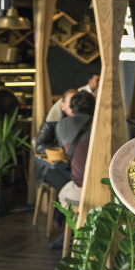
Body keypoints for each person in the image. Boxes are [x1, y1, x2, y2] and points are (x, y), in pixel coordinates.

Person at [48, 90, 94, 249]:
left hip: (81, 189)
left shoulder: (62, 125)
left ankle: (73, 234)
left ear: (72, 108)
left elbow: (66, 152)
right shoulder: (103, 124)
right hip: (109, 188)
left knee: (62, 192)